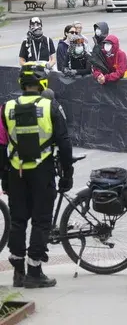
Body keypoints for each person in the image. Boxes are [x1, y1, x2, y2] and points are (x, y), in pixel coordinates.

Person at [0, 62, 73, 288]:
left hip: (16, 170)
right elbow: (64, 143)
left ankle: (18, 272)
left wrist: (4, 176)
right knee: (41, 221)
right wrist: (67, 174)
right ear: (42, 83)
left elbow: (2, 145)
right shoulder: (49, 106)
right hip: (42, 171)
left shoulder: (7, 107)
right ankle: (35, 271)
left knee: (18, 220)